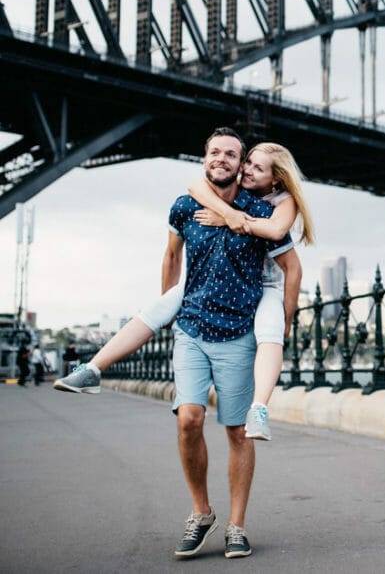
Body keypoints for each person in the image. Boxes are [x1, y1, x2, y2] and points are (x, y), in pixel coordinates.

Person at [55, 142, 314, 442]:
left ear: (276, 179)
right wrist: (225, 212)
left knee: (271, 329)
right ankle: (93, 369)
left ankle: (259, 409)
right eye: (249, 163)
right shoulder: (222, 194)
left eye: (257, 167)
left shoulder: (281, 202)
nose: (247, 169)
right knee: (159, 306)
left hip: (267, 284)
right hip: (209, 283)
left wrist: (288, 319)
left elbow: (276, 233)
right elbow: (196, 188)